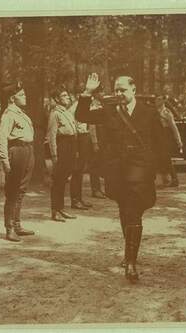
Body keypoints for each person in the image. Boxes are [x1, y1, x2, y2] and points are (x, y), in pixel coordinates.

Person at [75, 73, 164, 283]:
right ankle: (129, 253)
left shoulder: (149, 112)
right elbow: (81, 116)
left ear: (134, 89)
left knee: (133, 211)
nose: (119, 93)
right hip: (117, 171)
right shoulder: (109, 111)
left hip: (140, 171)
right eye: (116, 89)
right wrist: (87, 92)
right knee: (125, 211)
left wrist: (161, 172)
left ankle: (131, 263)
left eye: (123, 89)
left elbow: (161, 144)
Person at [0, 81, 36, 242]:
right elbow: (1, 139)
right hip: (16, 151)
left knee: (21, 190)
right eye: (22, 95)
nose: (25, 97)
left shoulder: (20, 113)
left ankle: (17, 224)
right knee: (12, 192)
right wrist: (5, 161)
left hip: (27, 150)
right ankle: (9, 228)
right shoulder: (9, 114)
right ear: (12, 98)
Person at [47, 87, 78, 222]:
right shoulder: (55, 114)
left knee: (64, 178)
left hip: (70, 145)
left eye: (67, 95)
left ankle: (61, 209)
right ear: (57, 99)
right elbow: (52, 135)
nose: (67, 97)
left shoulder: (67, 112)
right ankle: (55, 210)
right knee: (58, 180)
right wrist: (54, 155)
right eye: (64, 95)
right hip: (62, 146)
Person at [70, 103, 93, 210]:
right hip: (79, 137)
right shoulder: (76, 107)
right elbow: (73, 126)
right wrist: (76, 147)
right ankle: (75, 200)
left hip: (85, 136)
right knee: (77, 170)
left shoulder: (86, 106)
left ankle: (79, 198)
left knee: (81, 170)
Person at [155, 95, 183, 187]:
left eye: (159, 99)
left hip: (166, 136)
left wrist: (178, 141)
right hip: (158, 136)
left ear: (163, 101)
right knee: (161, 158)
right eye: (156, 99)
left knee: (166, 158)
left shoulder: (166, 112)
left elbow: (173, 127)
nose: (157, 101)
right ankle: (165, 179)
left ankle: (174, 179)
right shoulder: (156, 111)